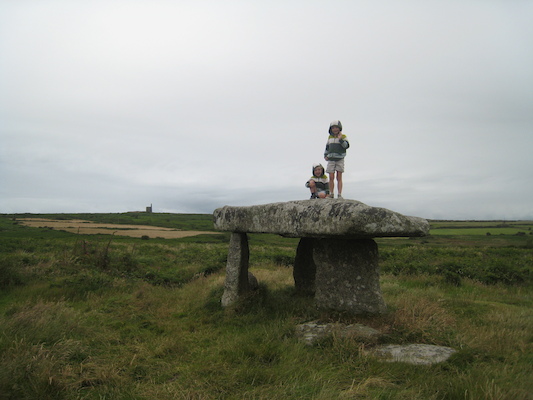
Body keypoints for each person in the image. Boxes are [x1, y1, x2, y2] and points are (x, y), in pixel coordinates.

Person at [324, 120, 349, 199]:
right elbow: (327, 147)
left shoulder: (343, 136)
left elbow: (346, 146)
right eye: (333, 128)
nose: (335, 129)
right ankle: (331, 193)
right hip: (331, 158)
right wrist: (325, 155)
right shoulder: (330, 137)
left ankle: (339, 194)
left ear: (339, 128)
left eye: (336, 128)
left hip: (340, 158)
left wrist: (340, 139)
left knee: (339, 177)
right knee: (331, 176)